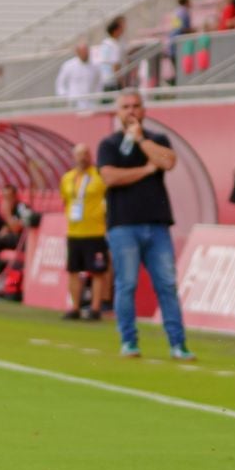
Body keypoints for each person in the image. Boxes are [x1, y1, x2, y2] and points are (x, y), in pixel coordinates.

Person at [97, 90, 193, 361]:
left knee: (167, 284)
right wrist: (146, 170)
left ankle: (178, 343)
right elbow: (109, 177)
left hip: (156, 224)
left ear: (144, 110)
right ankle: (129, 341)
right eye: (125, 106)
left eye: (136, 106)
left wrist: (141, 140)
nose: (131, 111)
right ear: (117, 111)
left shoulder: (158, 139)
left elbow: (168, 161)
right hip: (123, 225)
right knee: (126, 284)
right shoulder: (109, 144)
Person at [60, 143, 111, 320]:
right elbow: (66, 201)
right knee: (73, 270)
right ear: (73, 157)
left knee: (97, 271)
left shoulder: (99, 176)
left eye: (86, 154)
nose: (83, 157)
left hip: (95, 231)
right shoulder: (67, 178)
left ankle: (95, 308)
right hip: (74, 231)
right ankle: (75, 307)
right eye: (79, 154)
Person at [55, 42, 103, 106]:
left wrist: (98, 96)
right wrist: (64, 97)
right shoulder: (68, 65)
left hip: (91, 103)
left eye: (86, 52)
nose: (85, 54)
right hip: (74, 102)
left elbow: (99, 82)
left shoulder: (95, 66)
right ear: (77, 52)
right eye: (82, 52)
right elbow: (60, 83)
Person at [92, 16, 127, 92]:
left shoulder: (105, 43)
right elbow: (115, 65)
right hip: (113, 82)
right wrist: (122, 83)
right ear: (115, 31)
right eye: (121, 28)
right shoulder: (114, 45)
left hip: (104, 80)